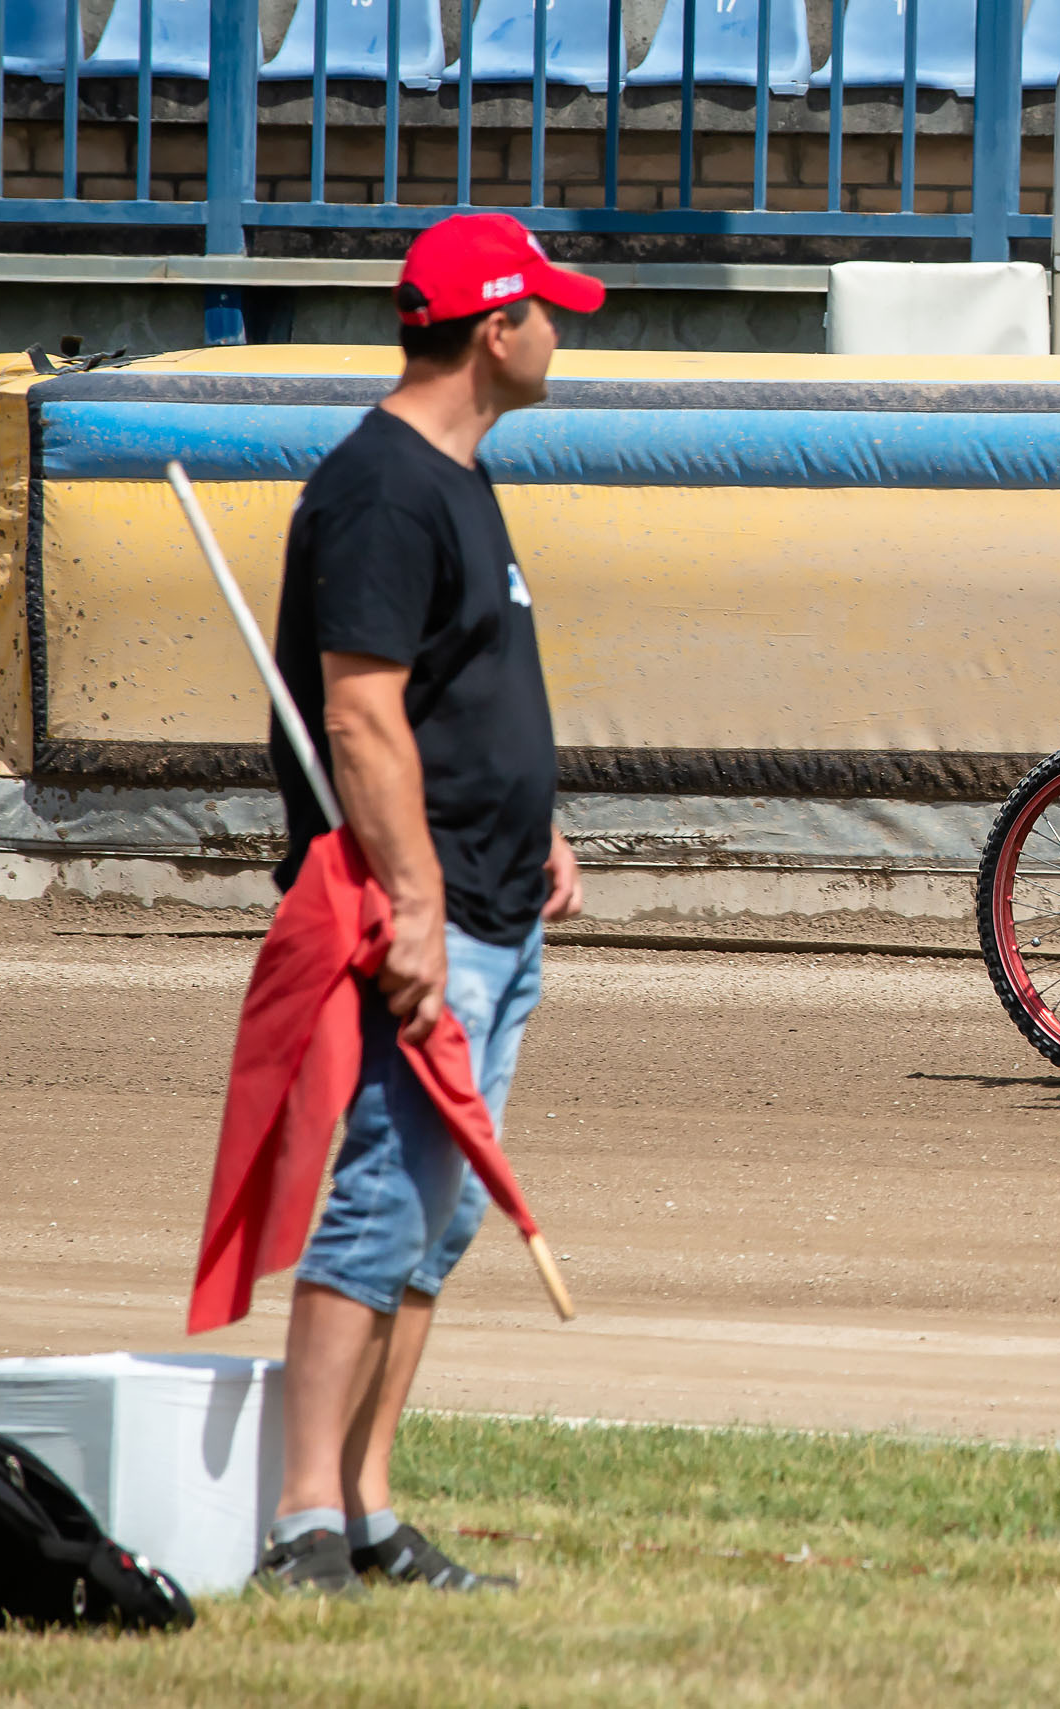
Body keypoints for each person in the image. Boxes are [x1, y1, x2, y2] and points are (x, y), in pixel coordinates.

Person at [254, 212, 603, 1596]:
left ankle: (370, 1512)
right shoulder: (383, 492)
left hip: (495, 905)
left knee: (434, 1223)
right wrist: (411, 903)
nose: (560, 333)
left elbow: (461, 689)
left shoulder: (458, 472)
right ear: (495, 330)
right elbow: (360, 716)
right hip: (429, 919)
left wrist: (536, 821)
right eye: (547, 312)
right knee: (381, 1205)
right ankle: (301, 1523)